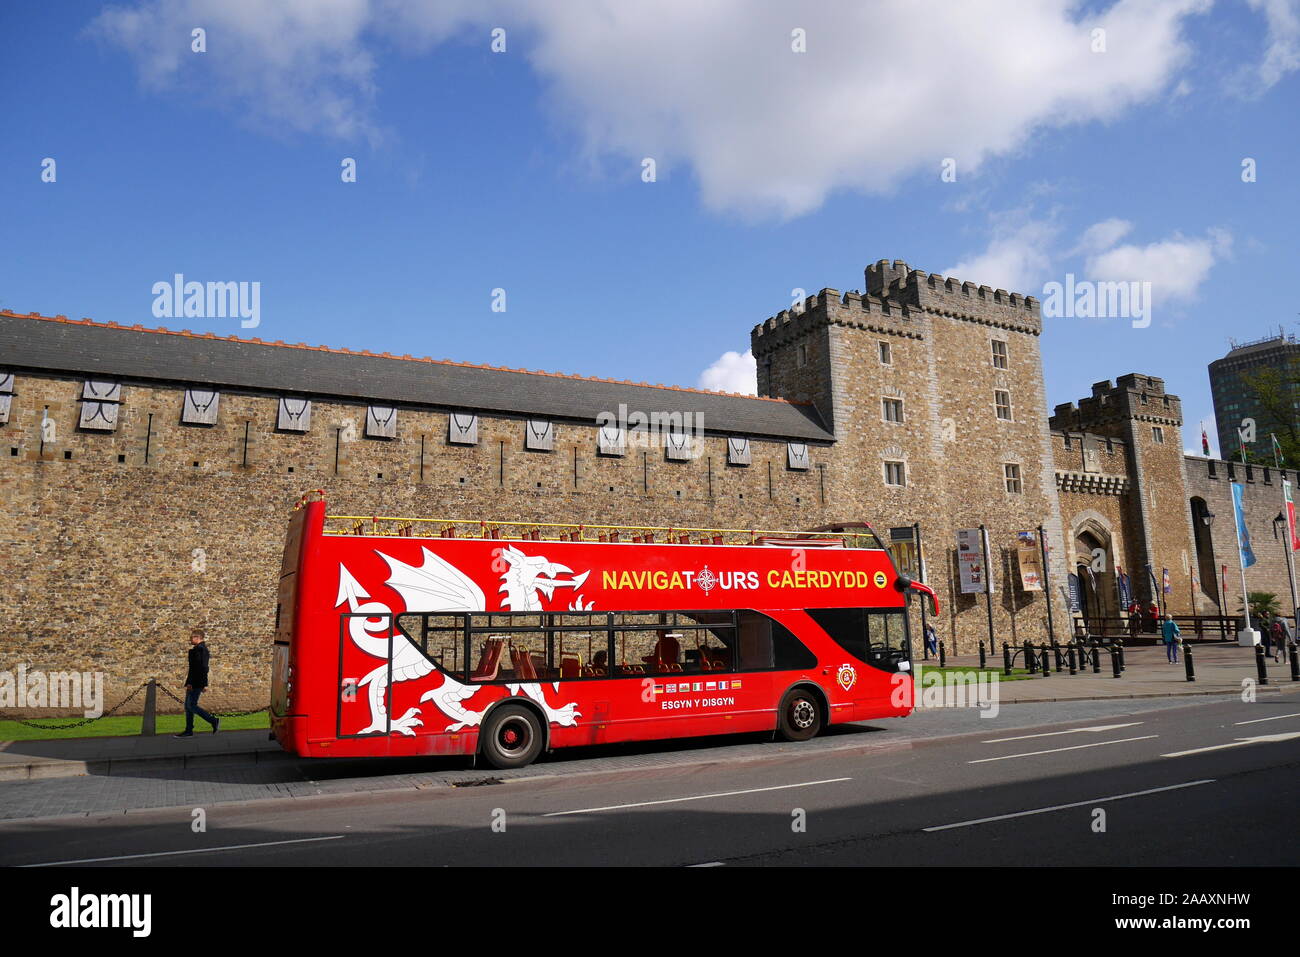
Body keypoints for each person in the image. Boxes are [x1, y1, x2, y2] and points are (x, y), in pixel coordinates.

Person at [175, 628, 219, 737]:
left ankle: (213, 720)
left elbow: (200, 668)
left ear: (197, 638)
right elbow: (199, 668)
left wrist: (193, 683)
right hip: (196, 681)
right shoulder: (199, 649)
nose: (189, 639)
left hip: (195, 682)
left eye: (191, 637)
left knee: (192, 706)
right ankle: (189, 730)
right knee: (188, 706)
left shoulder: (200, 650)